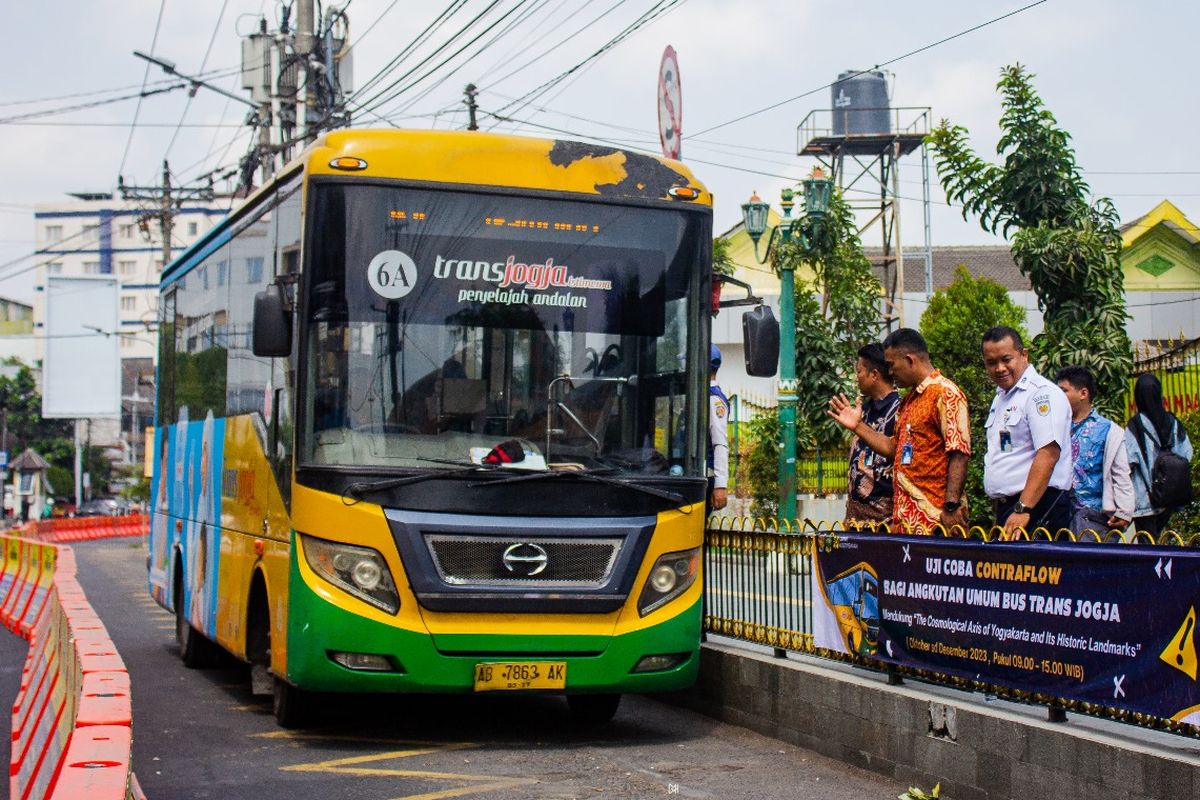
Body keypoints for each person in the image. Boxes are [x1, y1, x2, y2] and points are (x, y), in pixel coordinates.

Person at [829, 328, 970, 535]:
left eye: (891, 365)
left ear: (910, 360)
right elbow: (893, 447)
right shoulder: (909, 401)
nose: (890, 372)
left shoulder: (945, 393)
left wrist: (950, 506)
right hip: (906, 525)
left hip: (936, 521)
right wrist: (858, 426)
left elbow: (959, 452)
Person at [980, 327, 1073, 539]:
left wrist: (1023, 507)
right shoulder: (1002, 397)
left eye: (1006, 359)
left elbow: (1048, 454)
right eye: (991, 362)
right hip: (1012, 508)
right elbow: (1008, 450)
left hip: (1036, 507)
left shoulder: (1041, 394)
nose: (999, 368)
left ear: (1024, 354)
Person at [1054, 366, 1134, 537]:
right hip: (1056, 514)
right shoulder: (1053, 427)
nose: (1058, 396)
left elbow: (1120, 472)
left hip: (1094, 520)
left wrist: (1124, 511)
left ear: (1083, 393)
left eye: (1063, 391)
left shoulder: (1108, 430)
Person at [1126, 373, 1193, 536]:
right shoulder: (1173, 421)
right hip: (1169, 496)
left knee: (1147, 543)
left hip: (1145, 500)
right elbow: (1187, 453)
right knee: (1163, 541)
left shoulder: (1135, 424)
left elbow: (1129, 460)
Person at [844, 343, 901, 527]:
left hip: (886, 523)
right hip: (856, 522)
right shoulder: (864, 410)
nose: (857, 377)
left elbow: (897, 452)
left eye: (859, 371)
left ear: (874, 374)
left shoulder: (900, 410)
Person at [708, 344, 729, 511]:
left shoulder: (713, 399)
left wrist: (720, 485)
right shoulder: (700, 394)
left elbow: (720, 442)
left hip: (707, 475)